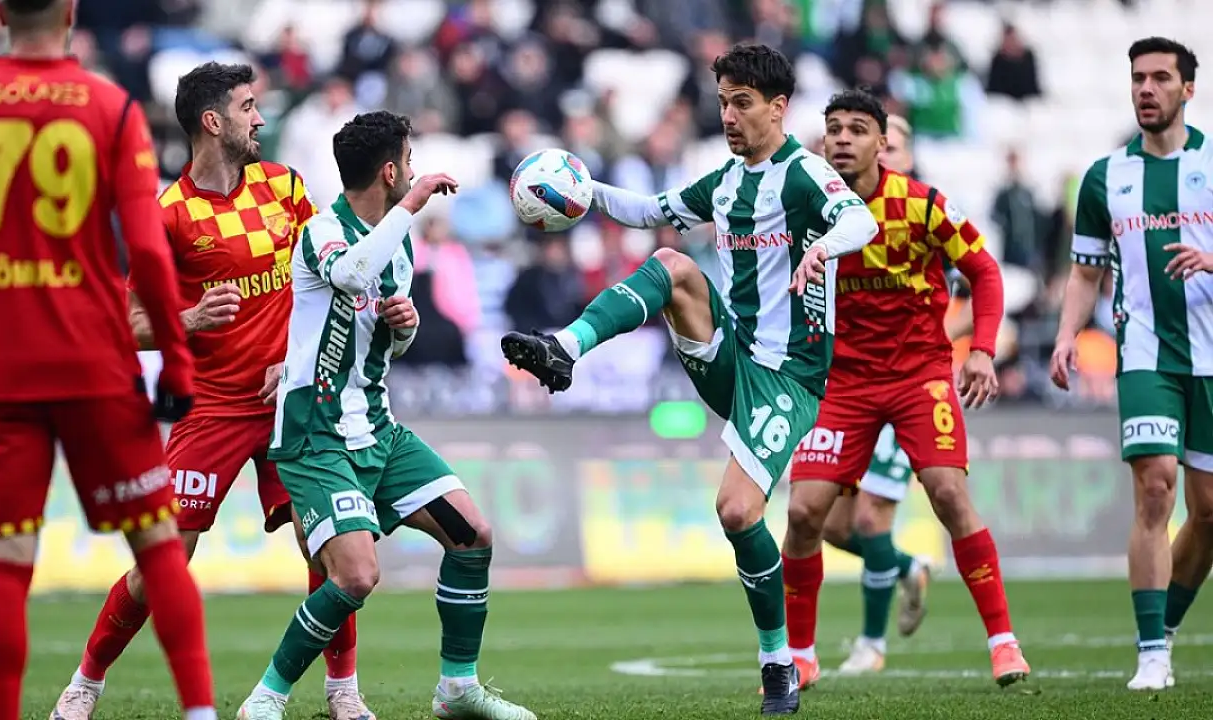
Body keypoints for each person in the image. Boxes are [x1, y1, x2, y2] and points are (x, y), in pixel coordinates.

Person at [500, 43, 879, 716]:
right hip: (733, 353)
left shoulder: (804, 174)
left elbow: (861, 218)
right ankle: (563, 348)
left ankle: (778, 662)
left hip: (788, 376)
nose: (728, 116)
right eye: (723, 102)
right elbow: (650, 210)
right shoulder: (726, 182)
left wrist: (823, 246)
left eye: (742, 103)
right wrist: (583, 191)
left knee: (736, 512)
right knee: (673, 263)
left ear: (778, 108)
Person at [51, 63, 370, 719]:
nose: (260, 118)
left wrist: (310, 356)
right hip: (212, 409)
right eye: (249, 107)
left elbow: (331, 278)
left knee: (328, 548)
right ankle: (85, 683)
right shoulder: (167, 215)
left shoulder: (286, 187)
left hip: (291, 403)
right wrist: (188, 319)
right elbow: (126, 325)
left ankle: (344, 691)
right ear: (212, 121)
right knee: (164, 561)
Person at [0, 1, 215, 719]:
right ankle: (200, 713)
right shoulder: (110, 107)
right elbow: (147, 247)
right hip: (95, 364)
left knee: (6, 566)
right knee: (158, 547)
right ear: (71, 10)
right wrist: (176, 362)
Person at [235, 110, 537, 720]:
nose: (415, 173)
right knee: (355, 577)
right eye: (410, 162)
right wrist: (414, 206)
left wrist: (406, 325)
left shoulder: (398, 243)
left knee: (472, 536)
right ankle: (265, 699)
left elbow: (385, 344)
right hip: (316, 435)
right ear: (392, 172)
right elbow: (350, 274)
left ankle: (458, 690)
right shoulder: (321, 232)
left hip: (378, 428)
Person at [780, 88, 1029, 689]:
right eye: (834, 129)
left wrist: (982, 350)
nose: (843, 139)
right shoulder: (804, 209)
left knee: (948, 494)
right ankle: (799, 656)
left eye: (857, 129)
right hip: (843, 383)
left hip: (919, 376)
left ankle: (1003, 643)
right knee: (805, 513)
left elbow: (984, 271)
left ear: (881, 143)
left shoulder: (923, 205)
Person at [1051, 36, 1213, 692]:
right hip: (1144, 351)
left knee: (1210, 513)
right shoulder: (1105, 177)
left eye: (1161, 78)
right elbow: (1085, 271)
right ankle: (1151, 654)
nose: (1147, 88)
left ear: (1187, 89)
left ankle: (1164, 628)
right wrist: (1066, 334)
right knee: (1154, 488)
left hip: (1211, 355)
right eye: (1138, 78)